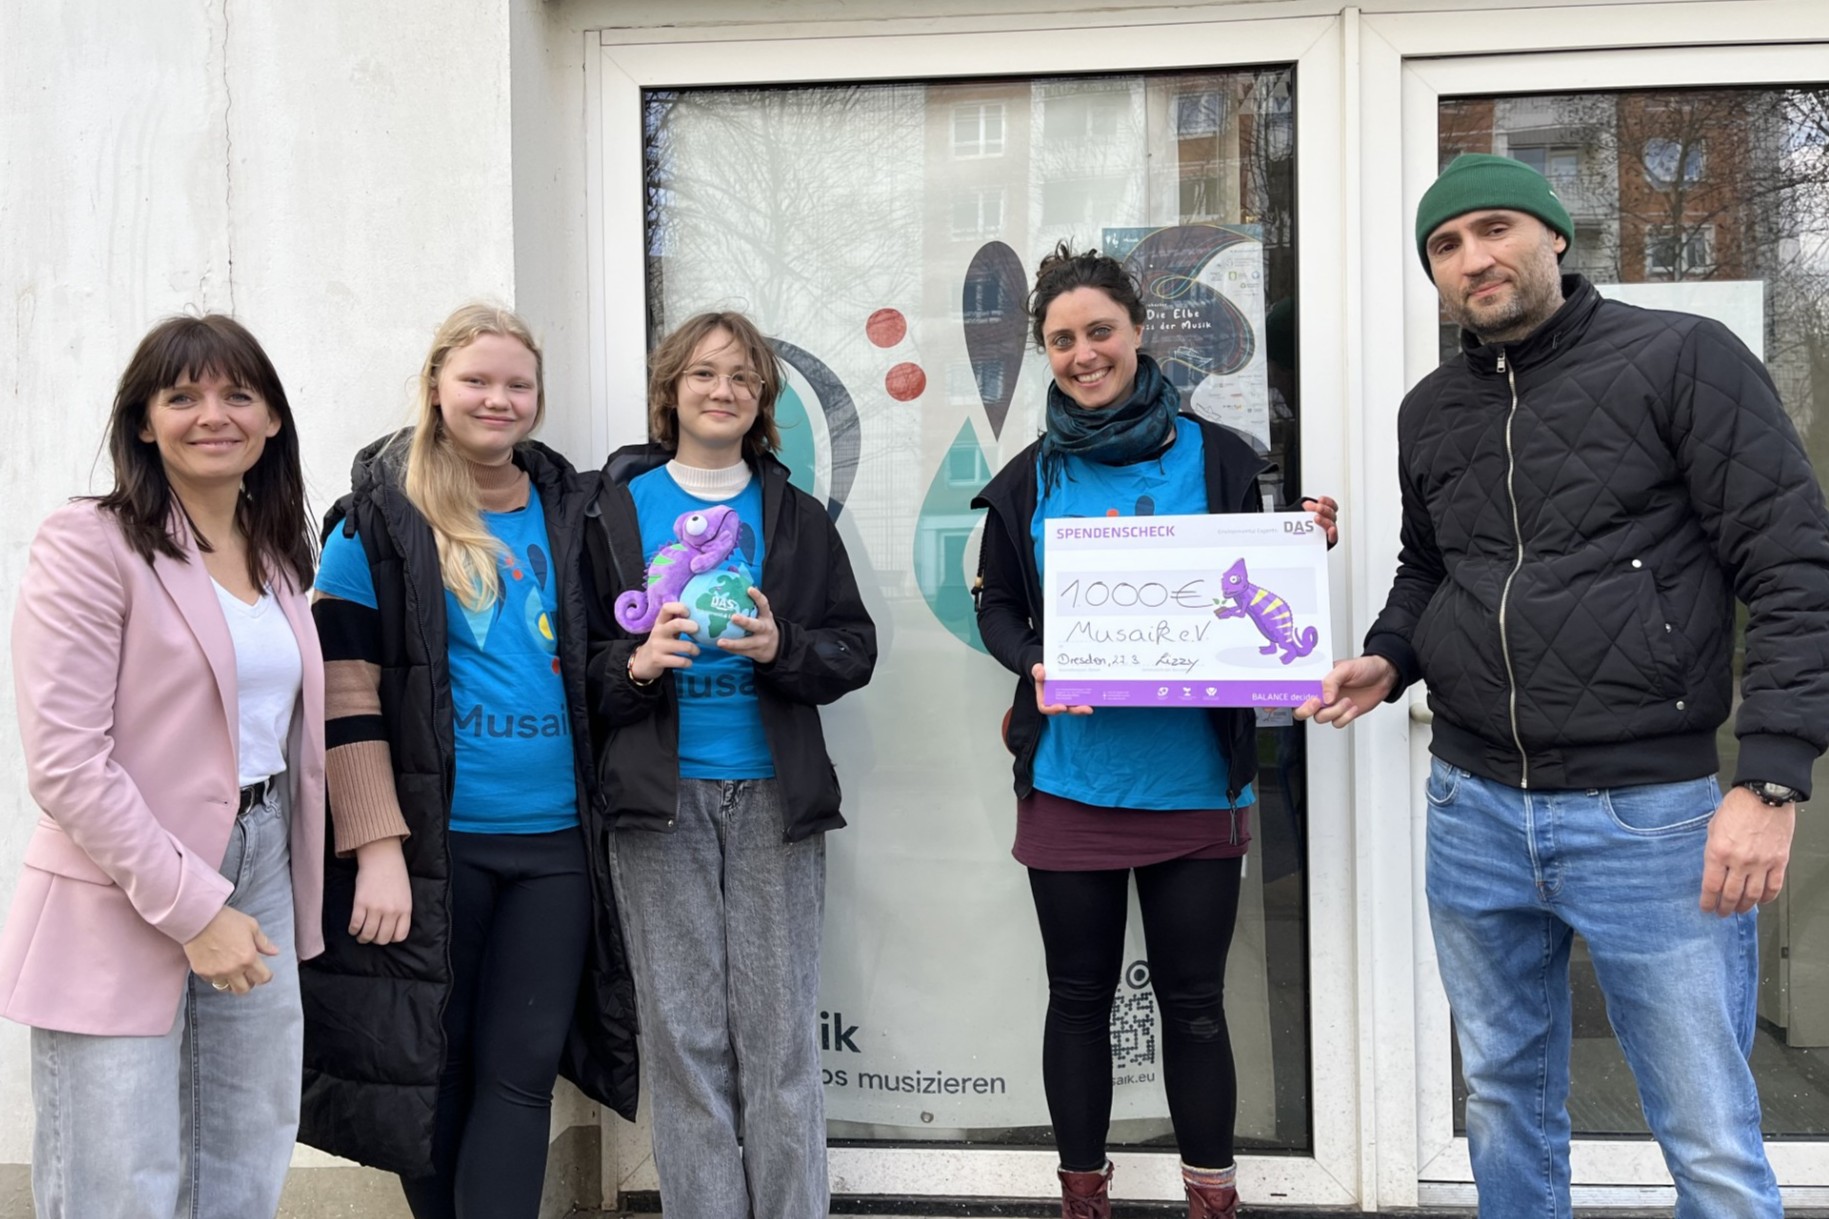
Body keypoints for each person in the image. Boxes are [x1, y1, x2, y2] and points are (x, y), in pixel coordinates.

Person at [1300, 153, 1829, 1218]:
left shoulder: (1681, 357)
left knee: (1703, 1124)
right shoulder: (1428, 411)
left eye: (1491, 228)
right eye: (1443, 246)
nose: (1470, 258)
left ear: (1552, 237)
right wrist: (1386, 654)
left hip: (1650, 816)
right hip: (1472, 808)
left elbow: (1790, 567)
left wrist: (1768, 781)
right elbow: (1431, 566)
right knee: (1501, 1096)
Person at [972, 244, 1336, 1219]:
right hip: (1071, 782)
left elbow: (1250, 584)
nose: (1082, 353)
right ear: (1043, 352)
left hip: (1190, 784)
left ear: (1135, 332)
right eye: (1060, 340)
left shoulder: (1217, 456)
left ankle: (1210, 1199)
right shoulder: (1025, 481)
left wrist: (1297, 544)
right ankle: (1081, 1200)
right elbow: (998, 606)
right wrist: (1033, 663)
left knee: (1194, 1005)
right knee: (1078, 1001)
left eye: (1098, 331)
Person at [297, 303, 635, 1218]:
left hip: (555, 847)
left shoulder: (573, 512)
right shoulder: (374, 521)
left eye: (516, 383)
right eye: (476, 380)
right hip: (433, 849)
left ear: (538, 397)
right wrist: (375, 847)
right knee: (433, 1074)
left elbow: (603, 658)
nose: (498, 398)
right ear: (436, 387)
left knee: (519, 1076)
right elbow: (344, 689)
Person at [0, 315, 324, 1219]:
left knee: (243, 1146)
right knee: (118, 1172)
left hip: (260, 857)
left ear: (270, 421)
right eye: (181, 396)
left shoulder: (280, 557)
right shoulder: (90, 542)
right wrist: (193, 907)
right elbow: (66, 760)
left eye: (236, 395)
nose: (210, 414)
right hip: (123, 876)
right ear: (144, 422)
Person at [584, 310, 876, 1219]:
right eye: (705, 373)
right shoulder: (610, 510)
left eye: (742, 378)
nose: (723, 390)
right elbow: (577, 665)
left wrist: (779, 645)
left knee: (779, 1037)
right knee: (684, 1039)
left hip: (772, 800)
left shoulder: (790, 512)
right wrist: (634, 666)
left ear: (762, 401)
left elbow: (853, 649)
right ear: (671, 390)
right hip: (657, 803)